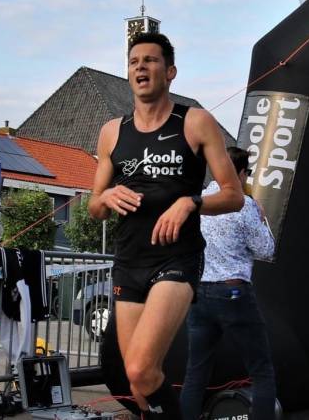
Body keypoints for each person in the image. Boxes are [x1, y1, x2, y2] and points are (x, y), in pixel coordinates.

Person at [88, 32, 243, 419]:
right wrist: (106, 197)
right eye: (133, 61)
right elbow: (94, 207)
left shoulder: (195, 122)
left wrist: (191, 202)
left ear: (170, 71)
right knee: (137, 380)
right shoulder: (112, 132)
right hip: (129, 261)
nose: (140, 66)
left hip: (176, 258)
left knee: (142, 368)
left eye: (150, 60)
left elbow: (233, 195)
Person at [181, 147, 277, 420]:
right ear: (242, 173)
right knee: (261, 370)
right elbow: (266, 250)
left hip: (199, 291)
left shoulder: (197, 201)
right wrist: (262, 217)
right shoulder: (244, 204)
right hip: (233, 290)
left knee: (196, 372)